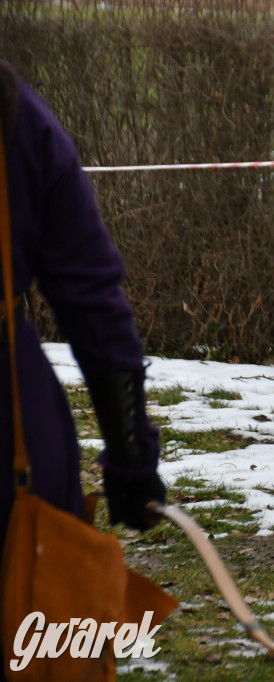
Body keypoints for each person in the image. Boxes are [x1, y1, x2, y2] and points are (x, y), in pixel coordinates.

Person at [0, 60, 165, 549]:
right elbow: (92, 302)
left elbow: (90, 297)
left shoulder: (15, 116)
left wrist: (131, 454)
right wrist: (131, 457)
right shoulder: (18, 115)